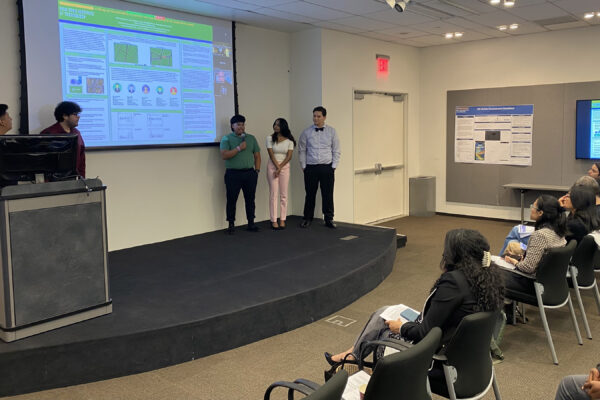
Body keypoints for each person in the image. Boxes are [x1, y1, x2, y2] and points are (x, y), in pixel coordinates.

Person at [324, 229, 504, 374]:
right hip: (471, 356)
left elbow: (423, 333)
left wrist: (400, 328)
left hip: (435, 354)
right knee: (386, 310)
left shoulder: (454, 282)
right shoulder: (489, 276)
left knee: (384, 329)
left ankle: (356, 360)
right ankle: (353, 354)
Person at [502, 195, 567, 294]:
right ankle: (508, 304)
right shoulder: (559, 231)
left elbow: (528, 268)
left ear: (540, 213)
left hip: (533, 284)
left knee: (493, 273)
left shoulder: (540, 235)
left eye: (533, 206)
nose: (531, 208)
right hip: (551, 282)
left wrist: (514, 261)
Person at [298, 106, 341, 229]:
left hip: (327, 167)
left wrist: (333, 166)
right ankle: (307, 218)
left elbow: (336, 150)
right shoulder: (306, 132)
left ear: (324, 117)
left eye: (318, 116)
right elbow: (301, 150)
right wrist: (304, 166)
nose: (315, 118)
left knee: (327, 194)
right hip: (311, 167)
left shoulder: (332, 132)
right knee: (310, 193)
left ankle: (329, 219)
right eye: (314, 116)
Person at [220, 114, 261, 234]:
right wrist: (238, 148)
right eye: (238, 124)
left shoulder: (251, 138)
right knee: (231, 199)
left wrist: (257, 171)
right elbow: (224, 155)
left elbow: (257, 156)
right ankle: (231, 224)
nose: (241, 127)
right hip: (233, 174)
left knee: (250, 199)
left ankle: (251, 223)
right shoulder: (226, 139)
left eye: (242, 124)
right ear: (232, 126)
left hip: (249, 173)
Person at [41, 101, 86, 177]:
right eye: (75, 114)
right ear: (65, 116)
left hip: (75, 179)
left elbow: (82, 158)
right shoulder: (49, 133)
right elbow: (42, 161)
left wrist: (82, 177)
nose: (78, 117)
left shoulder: (77, 133)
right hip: (54, 182)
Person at [266, 118, 295, 230]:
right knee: (273, 194)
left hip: (285, 167)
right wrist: (277, 168)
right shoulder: (269, 138)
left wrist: (280, 167)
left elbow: (289, 156)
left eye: (278, 125)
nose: (276, 126)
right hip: (272, 167)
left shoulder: (290, 141)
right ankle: (273, 220)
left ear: (283, 126)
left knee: (284, 194)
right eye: (275, 124)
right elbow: (271, 154)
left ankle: (282, 219)